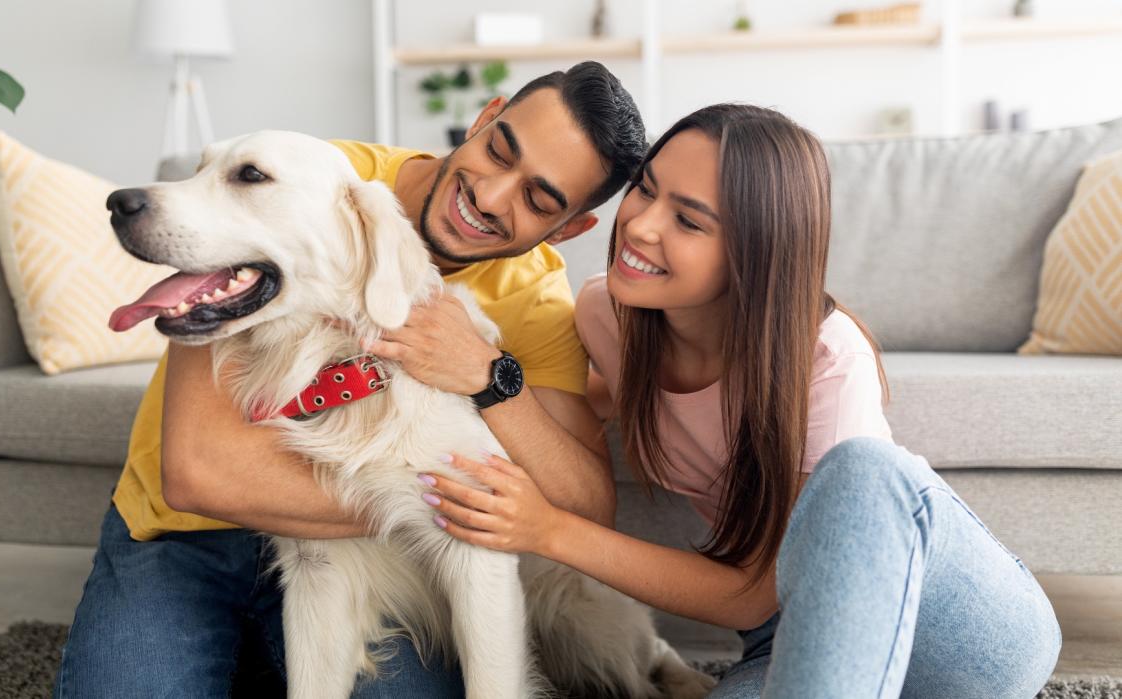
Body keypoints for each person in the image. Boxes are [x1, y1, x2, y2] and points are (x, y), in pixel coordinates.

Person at [416, 104, 1063, 698]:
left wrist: (549, 528)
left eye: (688, 219)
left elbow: (753, 590)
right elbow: (562, 419)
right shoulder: (608, 317)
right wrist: (477, 370)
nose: (639, 225)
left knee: (866, 470)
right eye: (646, 188)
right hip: (783, 644)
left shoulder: (828, 358)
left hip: (951, 638)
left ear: (754, 250)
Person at [53, 61, 647, 698]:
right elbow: (199, 475)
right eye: (499, 150)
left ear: (568, 229)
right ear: (484, 117)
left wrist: (487, 375)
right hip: (186, 532)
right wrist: (448, 508)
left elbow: (583, 507)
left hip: (370, 555)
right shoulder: (310, 176)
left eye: (538, 200)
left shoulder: (533, 297)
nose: (491, 196)